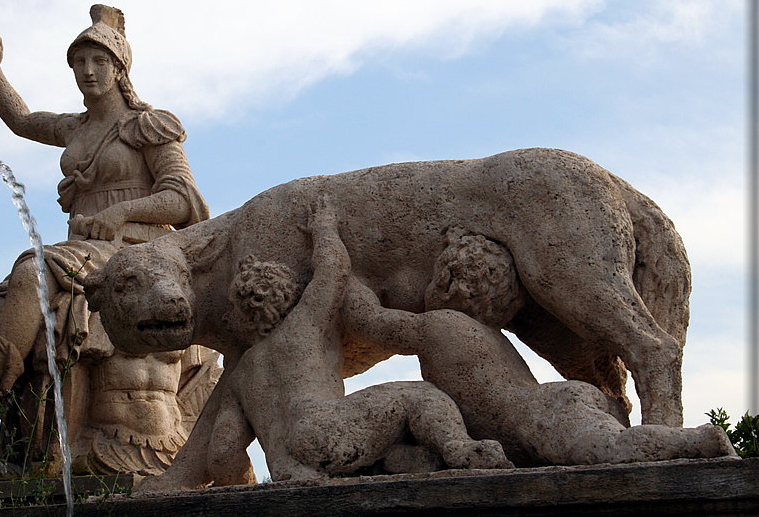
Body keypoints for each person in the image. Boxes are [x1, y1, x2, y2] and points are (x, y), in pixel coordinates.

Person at [0, 4, 217, 477]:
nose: (88, 71)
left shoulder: (149, 125)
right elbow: (23, 120)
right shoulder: (76, 127)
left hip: (137, 249)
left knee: (32, 271)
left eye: (99, 62)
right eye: (78, 63)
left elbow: (184, 200)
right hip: (83, 247)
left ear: (119, 67)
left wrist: (120, 212)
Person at [340, 234, 737, 467]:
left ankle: (695, 442)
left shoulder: (442, 326)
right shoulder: (490, 334)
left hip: (544, 419)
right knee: (607, 441)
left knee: (612, 449)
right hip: (559, 402)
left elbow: (369, 323)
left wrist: (345, 271)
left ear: (449, 284)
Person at [203, 200, 512, 485]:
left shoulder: (240, 377)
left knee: (386, 454)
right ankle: (458, 448)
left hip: (287, 468)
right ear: (289, 296)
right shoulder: (301, 326)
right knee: (418, 395)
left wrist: (245, 485)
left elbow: (221, 455)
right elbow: (333, 272)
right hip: (322, 429)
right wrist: (324, 227)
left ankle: (413, 460)